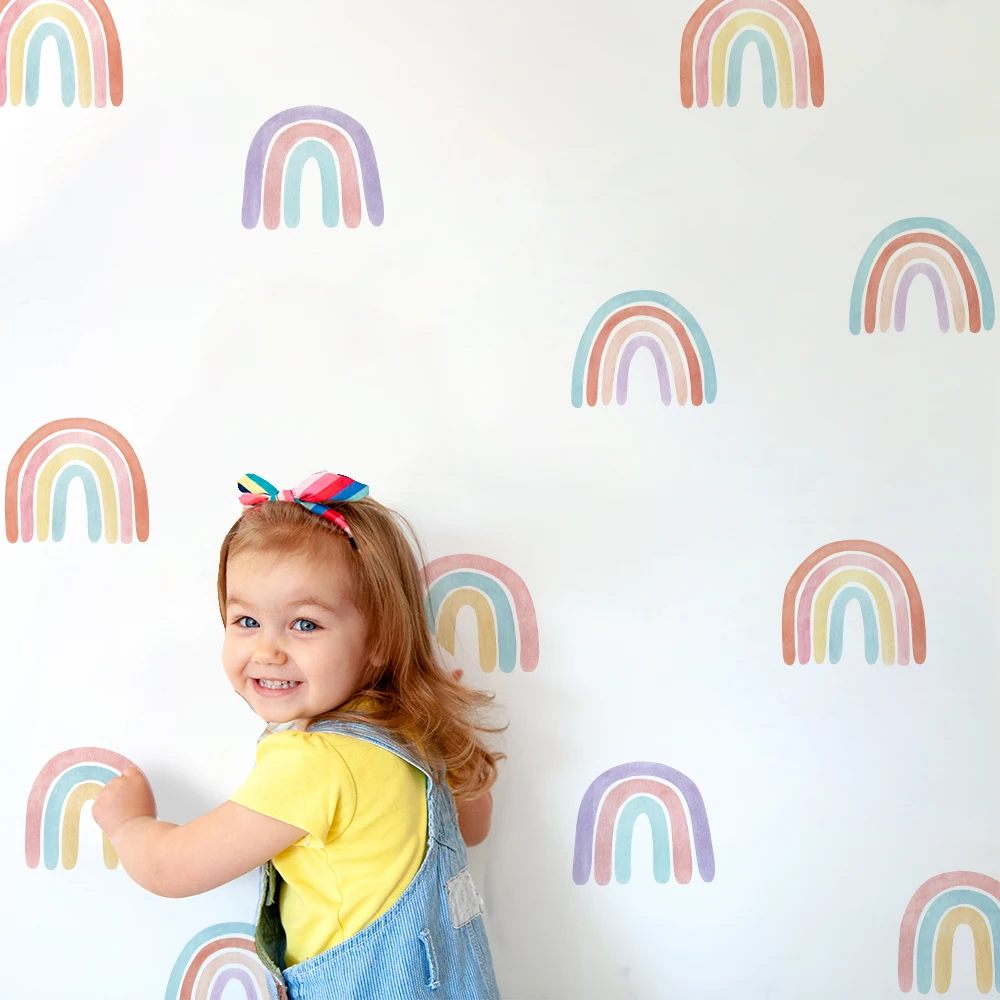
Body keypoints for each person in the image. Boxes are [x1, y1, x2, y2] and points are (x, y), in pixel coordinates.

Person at [93, 471, 505, 999]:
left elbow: (173, 868)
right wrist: (452, 739)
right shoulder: (409, 732)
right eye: (246, 621)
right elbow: (474, 827)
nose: (267, 651)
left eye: (304, 624)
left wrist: (128, 823)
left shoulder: (314, 762)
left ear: (379, 639)